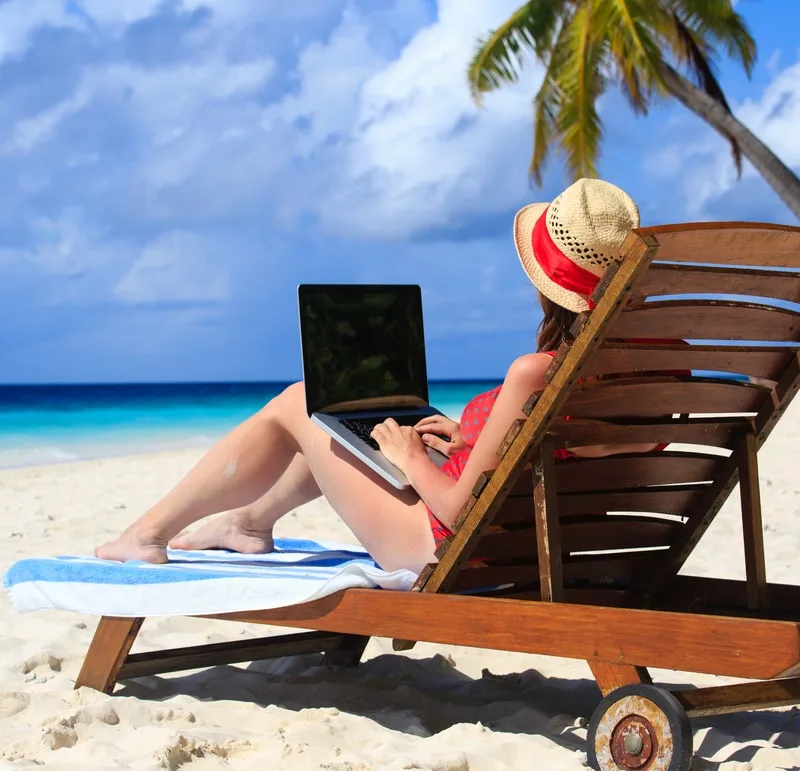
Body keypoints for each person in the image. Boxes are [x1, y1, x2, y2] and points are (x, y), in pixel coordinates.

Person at [96, 178, 656, 573]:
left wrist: (411, 457)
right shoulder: (656, 368)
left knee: (302, 402)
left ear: (549, 285)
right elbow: (568, 456)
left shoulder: (537, 374)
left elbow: (462, 511)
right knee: (350, 430)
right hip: (565, 545)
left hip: (455, 548)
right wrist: (473, 440)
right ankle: (248, 522)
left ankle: (147, 534)